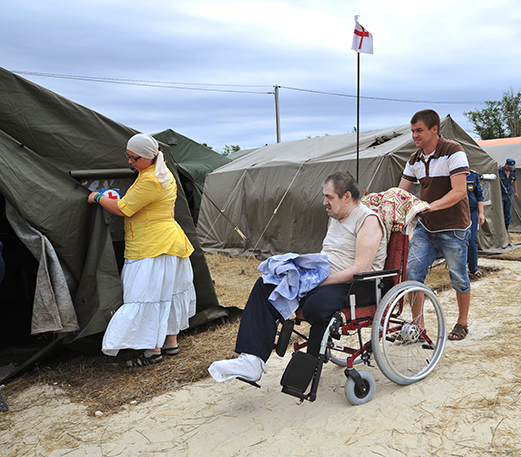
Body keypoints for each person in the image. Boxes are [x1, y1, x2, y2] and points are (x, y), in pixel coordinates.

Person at [208, 170, 387, 384]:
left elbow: (361, 269)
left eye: (329, 197)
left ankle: (309, 361)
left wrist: (317, 282)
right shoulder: (336, 218)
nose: (324, 202)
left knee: (314, 307)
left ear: (347, 196)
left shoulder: (368, 220)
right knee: (266, 284)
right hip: (325, 278)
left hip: (357, 286)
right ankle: (251, 360)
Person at [89, 133, 196, 367]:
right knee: (167, 294)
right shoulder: (160, 171)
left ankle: (152, 351)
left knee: (147, 297)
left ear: (148, 157)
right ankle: (170, 343)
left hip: (151, 246)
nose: (129, 162)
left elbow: (122, 208)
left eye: (133, 158)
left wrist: (97, 197)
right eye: (127, 156)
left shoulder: (150, 180)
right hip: (169, 242)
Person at [398, 109, 472, 341]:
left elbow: (459, 192)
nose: (415, 136)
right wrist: (381, 203)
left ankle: (462, 322)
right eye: (412, 131)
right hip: (427, 227)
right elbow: (401, 192)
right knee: (411, 273)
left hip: (454, 227)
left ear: (434, 129)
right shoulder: (414, 159)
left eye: (419, 130)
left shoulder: (454, 151)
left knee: (458, 276)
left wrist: (429, 206)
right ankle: (418, 327)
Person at [466, 170, 485, 278]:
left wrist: (481, 213)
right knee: (459, 240)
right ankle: (461, 267)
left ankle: (473, 268)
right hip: (457, 213)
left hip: (472, 212)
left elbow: (479, 195)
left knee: (472, 239)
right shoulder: (452, 175)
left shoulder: (473, 176)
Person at [499, 158, 518, 231]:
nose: (510, 168)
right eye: (509, 167)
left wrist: (516, 192)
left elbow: (514, 181)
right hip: (501, 193)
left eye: (511, 167)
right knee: (501, 211)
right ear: (505, 164)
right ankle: (501, 229)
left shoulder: (513, 171)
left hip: (509, 194)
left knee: (508, 212)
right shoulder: (499, 171)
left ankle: (506, 230)